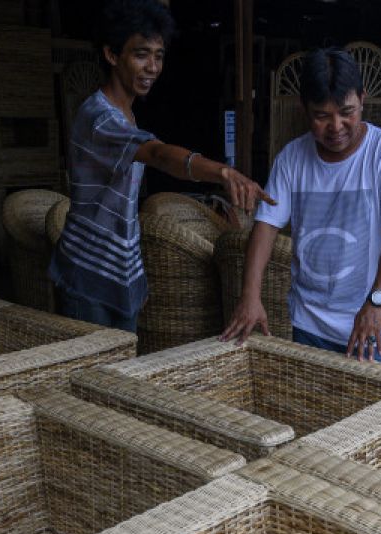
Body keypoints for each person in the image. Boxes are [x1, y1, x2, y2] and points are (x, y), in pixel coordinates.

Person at [50, 0, 272, 332]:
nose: (152, 66)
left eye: (158, 55)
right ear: (112, 55)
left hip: (118, 274)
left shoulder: (126, 113)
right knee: (95, 377)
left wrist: (134, 275)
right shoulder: (98, 117)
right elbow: (158, 155)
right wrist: (223, 172)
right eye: (141, 54)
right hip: (87, 275)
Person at [220, 47, 381, 363]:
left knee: (372, 411)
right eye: (322, 116)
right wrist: (250, 295)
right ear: (304, 109)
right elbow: (266, 227)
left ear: (363, 98)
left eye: (347, 112)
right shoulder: (291, 158)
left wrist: (377, 303)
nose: (336, 126)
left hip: (371, 323)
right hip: (309, 321)